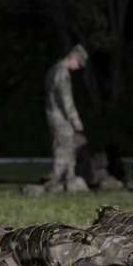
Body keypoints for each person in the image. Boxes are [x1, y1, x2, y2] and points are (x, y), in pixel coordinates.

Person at [44, 44, 89, 192]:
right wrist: (75, 119)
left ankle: (69, 179)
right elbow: (66, 99)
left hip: (54, 114)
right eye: (79, 63)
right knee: (63, 147)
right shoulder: (62, 73)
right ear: (73, 57)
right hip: (61, 117)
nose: (79, 66)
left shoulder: (54, 69)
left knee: (67, 146)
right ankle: (55, 181)